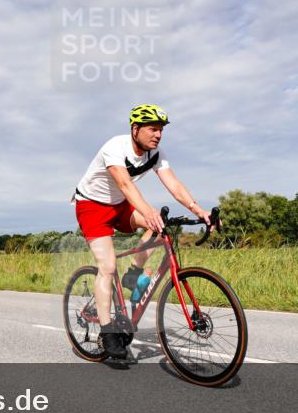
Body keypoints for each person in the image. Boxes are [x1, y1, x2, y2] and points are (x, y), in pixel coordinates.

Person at [73, 104, 211, 359]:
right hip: (92, 206)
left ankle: (135, 271)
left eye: (160, 130)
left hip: (120, 206)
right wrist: (148, 212)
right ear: (135, 129)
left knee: (161, 226)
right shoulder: (115, 147)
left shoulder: (157, 154)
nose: (157, 135)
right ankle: (107, 331)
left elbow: (174, 184)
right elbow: (125, 184)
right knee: (108, 266)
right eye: (152, 129)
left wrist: (198, 209)